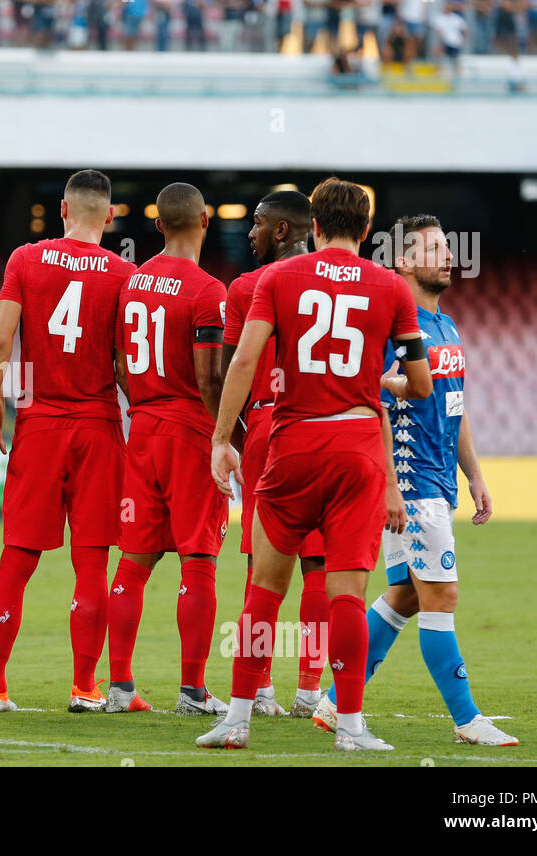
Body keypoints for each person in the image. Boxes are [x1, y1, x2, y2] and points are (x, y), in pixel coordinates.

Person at [196, 177, 432, 751]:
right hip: (358, 448)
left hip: (293, 441)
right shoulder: (391, 288)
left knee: (263, 590)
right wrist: (387, 383)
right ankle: (349, 726)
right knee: (347, 593)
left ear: (316, 226)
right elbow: (421, 385)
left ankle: (238, 719)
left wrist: (222, 438)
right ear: (368, 230)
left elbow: (246, 359)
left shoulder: (277, 278)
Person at [313, 214, 518, 747]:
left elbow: (456, 407)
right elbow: (375, 405)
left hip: (439, 483)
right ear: (403, 261)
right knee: (442, 594)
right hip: (410, 484)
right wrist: (389, 488)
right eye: (433, 249)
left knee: (405, 594)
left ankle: (336, 702)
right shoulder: (392, 329)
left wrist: (474, 476)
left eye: (448, 247)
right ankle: (468, 719)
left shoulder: (445, 326)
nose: (447, 256)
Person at [0, 169, 136, 713]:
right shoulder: (124, 274)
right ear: (109, 217)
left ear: (63, 211)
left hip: (39, 426)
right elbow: (123, 363)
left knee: (16, 561)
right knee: (91, 564)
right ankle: (86, 688)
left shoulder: (24, 259)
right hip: (97, 428)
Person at [103, 183, 230, 716]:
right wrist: (226, 434)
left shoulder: (131, 285)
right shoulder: (207, 290)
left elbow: (120, 364)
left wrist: (144, 405)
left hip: (144, 427)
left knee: (132, 562)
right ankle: (193, 692)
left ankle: (120, 688)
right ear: (205, 219)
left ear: (158, 225)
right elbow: (210, 377)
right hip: (190, 429)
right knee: (198, 561)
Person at [222, 190, 329, 719]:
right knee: (319, 564)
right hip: (326, 425)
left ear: (283, 230)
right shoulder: (333, 280)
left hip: (268, 423)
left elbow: (231, 371)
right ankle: (311, 688)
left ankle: (259, 687)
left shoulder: (246, 287)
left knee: (259, 564)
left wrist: (232, 438)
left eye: (258, 223)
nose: (250, 233)